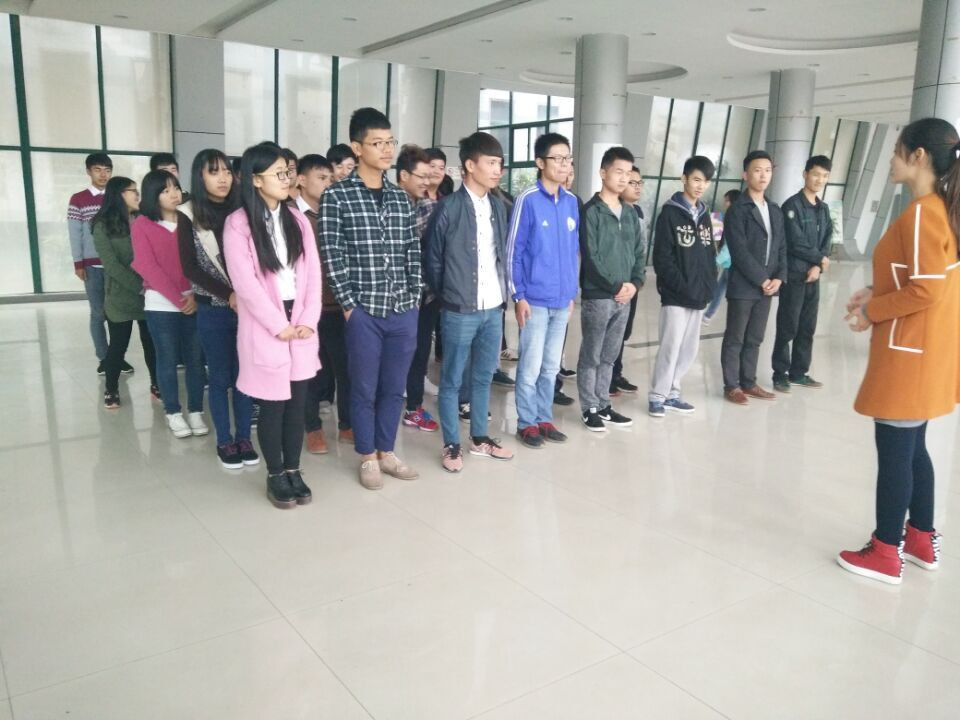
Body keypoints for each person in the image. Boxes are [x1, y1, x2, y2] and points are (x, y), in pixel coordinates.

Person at [837, 117, 960, 584]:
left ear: (918, 156)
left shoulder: (924, 214)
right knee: (913, 450)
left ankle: (886, 550)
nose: (891, 159)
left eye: (896, 150)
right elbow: (920, 278)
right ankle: (922, 539)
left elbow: (926, 290)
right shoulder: (941, 209)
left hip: (908, 355)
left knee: (894, 455)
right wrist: (876, 291)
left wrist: (874, 311)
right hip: (924, 352)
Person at [319, 108, 421, 490]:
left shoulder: (400, 198)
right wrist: (349, 305)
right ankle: (367, 455)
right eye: (377, 143)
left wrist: (414, 296)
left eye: (390, 142)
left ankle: (387, 451)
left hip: (402, 308)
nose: (387, 149)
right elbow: (332, 254)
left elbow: (412, 250)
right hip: (363, 310)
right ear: (357, 148)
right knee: (362, 387)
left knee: (394, 386)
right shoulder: (337, 196)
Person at [224, 143, 321, 509]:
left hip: (300, 320)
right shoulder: (238, 224)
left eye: (288, 172)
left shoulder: (297, 219)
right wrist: (277, 324)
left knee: (297, 404)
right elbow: (245, 283)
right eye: (279, 173)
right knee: (273, 405)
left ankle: (294, 469)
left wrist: (308, 318)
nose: (286, 179)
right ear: (255, 179)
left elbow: (313, 275)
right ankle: (275, 473)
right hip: (267, 322)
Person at [425, 131, 515, 472]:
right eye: (491, 163)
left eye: (500, 164)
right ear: (470, 165)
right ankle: (451, 444)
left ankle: (480, 438)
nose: (497, 170)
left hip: (493, 308)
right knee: (451, 380)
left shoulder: (499, 206)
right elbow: (433, 260)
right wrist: (449, 294)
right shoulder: (448, 208)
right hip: (459, 309)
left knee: (483, 377)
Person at [178, 149, 259, 470]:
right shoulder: (188, 214)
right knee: (221, 376)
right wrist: (229, 294)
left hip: (248, 309)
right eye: (214, 172)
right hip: (213, 309)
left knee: (245, 376)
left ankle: (244, 438)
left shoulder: (244, 209)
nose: (223, 178)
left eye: (226, 171)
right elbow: (191, 267)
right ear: (200, 177)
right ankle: (225, 439)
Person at [507, 132, 580, 449]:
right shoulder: (527, 200)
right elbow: (514, 250)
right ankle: (526, 423)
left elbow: (574, 251)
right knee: (530, 366)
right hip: (534, 300)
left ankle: (543, 418)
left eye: (568, 158)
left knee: (551, 367)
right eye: (558, 158)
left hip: (562, 301)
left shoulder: (571, 202)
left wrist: (572, 293)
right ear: (540, 162)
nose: (564, 164)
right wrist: (518, 295)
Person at [131, 170, 208, 438]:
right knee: (166, 359)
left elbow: (202, 261)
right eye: (165, 190)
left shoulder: (191, 220)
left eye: (175, 187)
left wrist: (195, 296)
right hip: (161, 304)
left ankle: (196, 410)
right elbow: (147, 266)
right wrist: (179, 299)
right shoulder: (142, 224)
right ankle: (173, 412)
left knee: (196, 359)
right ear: (153, 195)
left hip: (195, 299)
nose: (174, 194)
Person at [576, 146, 644, 431]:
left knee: (610, 356)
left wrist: (635, 284)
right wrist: (617, 286)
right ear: (603, 173)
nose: (624, 178)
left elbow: (639, 253)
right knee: (591, 355)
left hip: (624, 297)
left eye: (628, 173)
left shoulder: (630, 213)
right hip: (599, 296)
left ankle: (604, 404)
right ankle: (589, 407)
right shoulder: (590, 212)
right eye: (619, 172)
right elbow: (591, 257)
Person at [648, 156, 718, 418]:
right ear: (684, 179)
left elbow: (710, 254)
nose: (701, 186)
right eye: (696, 179)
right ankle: (657, 395)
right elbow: (662, 259)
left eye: (705, 181)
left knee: (689, 349)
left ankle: (673, 393)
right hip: (676, 295)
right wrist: (682, 286)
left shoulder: (706, 214)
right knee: (671, 346)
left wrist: (709, 285)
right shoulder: (669, 213)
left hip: (699, 295)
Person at [720, 150, 787, 406]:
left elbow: (782, 247)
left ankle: (748, 381)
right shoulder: (738, 210)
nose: (763, 175)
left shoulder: (774, 210)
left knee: (755, 338)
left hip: (767, 287)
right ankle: (732, 385)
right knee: (735, 337)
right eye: (757, 170)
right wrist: (762, 279)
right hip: (744, 285)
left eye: (767, 170)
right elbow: (739, 251)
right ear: (745, 175)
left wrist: (779, 278)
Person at [294, 154, 347, 454]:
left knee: (345, 367)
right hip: (305, 309)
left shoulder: (336, 211)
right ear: (301, 180)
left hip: (338, 304)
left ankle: (347, 424)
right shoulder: (291, 216)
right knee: (310, 372)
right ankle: (312, 428)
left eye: (330, 178)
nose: (328, 183)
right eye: (321, 178)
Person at [92, 176, 158, 408]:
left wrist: (150, 284)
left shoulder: (143, 219)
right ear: (118, 195)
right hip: (121, 295)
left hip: (149, 293)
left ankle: (156, 384)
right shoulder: (102, 225)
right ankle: (111, 389)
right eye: (132, 191)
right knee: (118, 345)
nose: (137, 195)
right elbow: (111, 265)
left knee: (151, 343)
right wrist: (140, 286)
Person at [771, 156, 834, 392]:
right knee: (788, 326)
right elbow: (795, 242)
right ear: (805, 174)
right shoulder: (791, 206)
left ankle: (799, 373)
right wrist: (819, 259)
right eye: (816, 174)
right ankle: (780, 374)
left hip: (813, 277)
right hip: (795, 276)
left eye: (825, 176)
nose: (820, 180)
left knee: (807, 327)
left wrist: (818, 266)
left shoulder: (823, 209)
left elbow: (827, 239)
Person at [397, 144, 441, 433]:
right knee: (396, 354)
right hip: (395, 296)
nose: (427, 181)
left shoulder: (430, 207)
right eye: (422, 176)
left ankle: (414, 408)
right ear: (403, 175)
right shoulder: (387, 207)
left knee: (419, 350)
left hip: (426, 294)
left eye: (429, 175)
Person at [69, 152, 118, 374]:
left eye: (107, 170)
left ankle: (116, 357)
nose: (103, 174)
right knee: (98, 313)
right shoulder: (78, 199)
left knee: (117, 313)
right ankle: (104, 357)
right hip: (91, 266)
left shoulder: (117, 198)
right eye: (98, 170)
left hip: (115, 265)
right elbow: (75, 234)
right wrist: (78, 263)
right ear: (89, 171)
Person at [610, 166, 647, 395]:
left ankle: (616, 372)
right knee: (610, 333)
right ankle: (607, 378)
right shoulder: (612, 211)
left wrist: (637, 280)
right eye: (631, 182)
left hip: (633, 282)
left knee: (624, 331)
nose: (636, 187)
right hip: (615, 283)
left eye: (638, 183)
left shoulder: (638, 212)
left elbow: (640, 250)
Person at [702, 189, 740, 325]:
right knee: (719, 289)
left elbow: (729, 246)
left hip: (732, 263)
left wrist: (716, 261)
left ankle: (709, 315)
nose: (724, 204)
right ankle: (707, 315)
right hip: (729, 263)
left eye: (726, 201)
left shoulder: (734, 219)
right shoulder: (729, 217)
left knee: (731, 294)